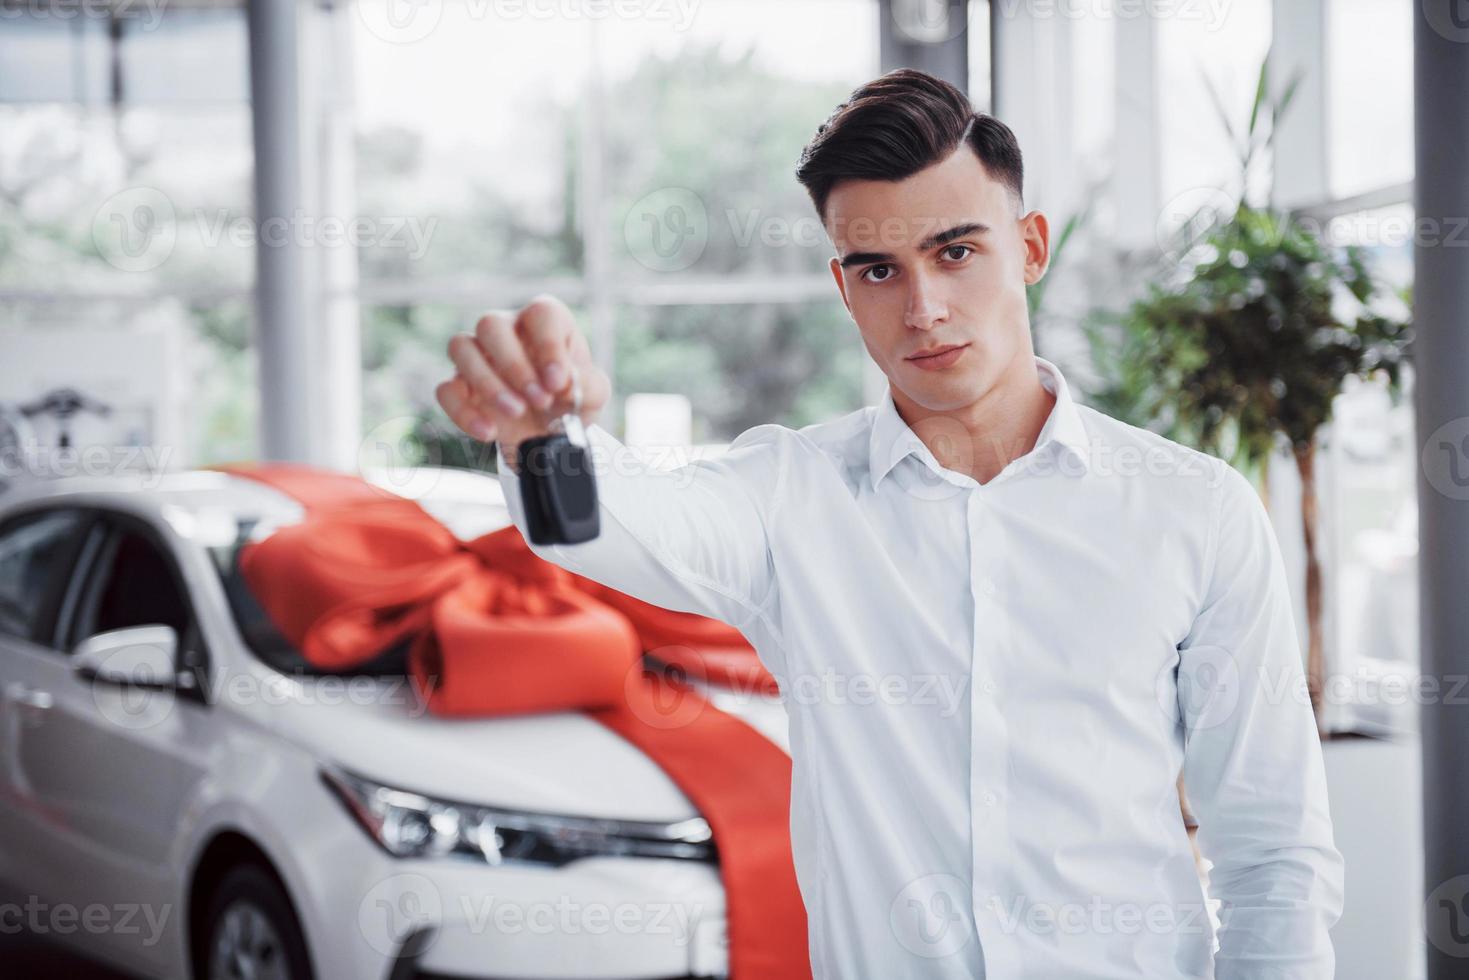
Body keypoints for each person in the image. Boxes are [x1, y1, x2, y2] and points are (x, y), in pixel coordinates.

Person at [436, 68, 1343, 980]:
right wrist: (544, 437)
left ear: (1028, 247)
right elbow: (618, 521)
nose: (922, 310)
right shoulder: (788, 495)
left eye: (955, 252)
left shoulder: (1193, 508)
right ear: (843, 285)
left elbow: (1273, 852)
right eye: (880, 269)